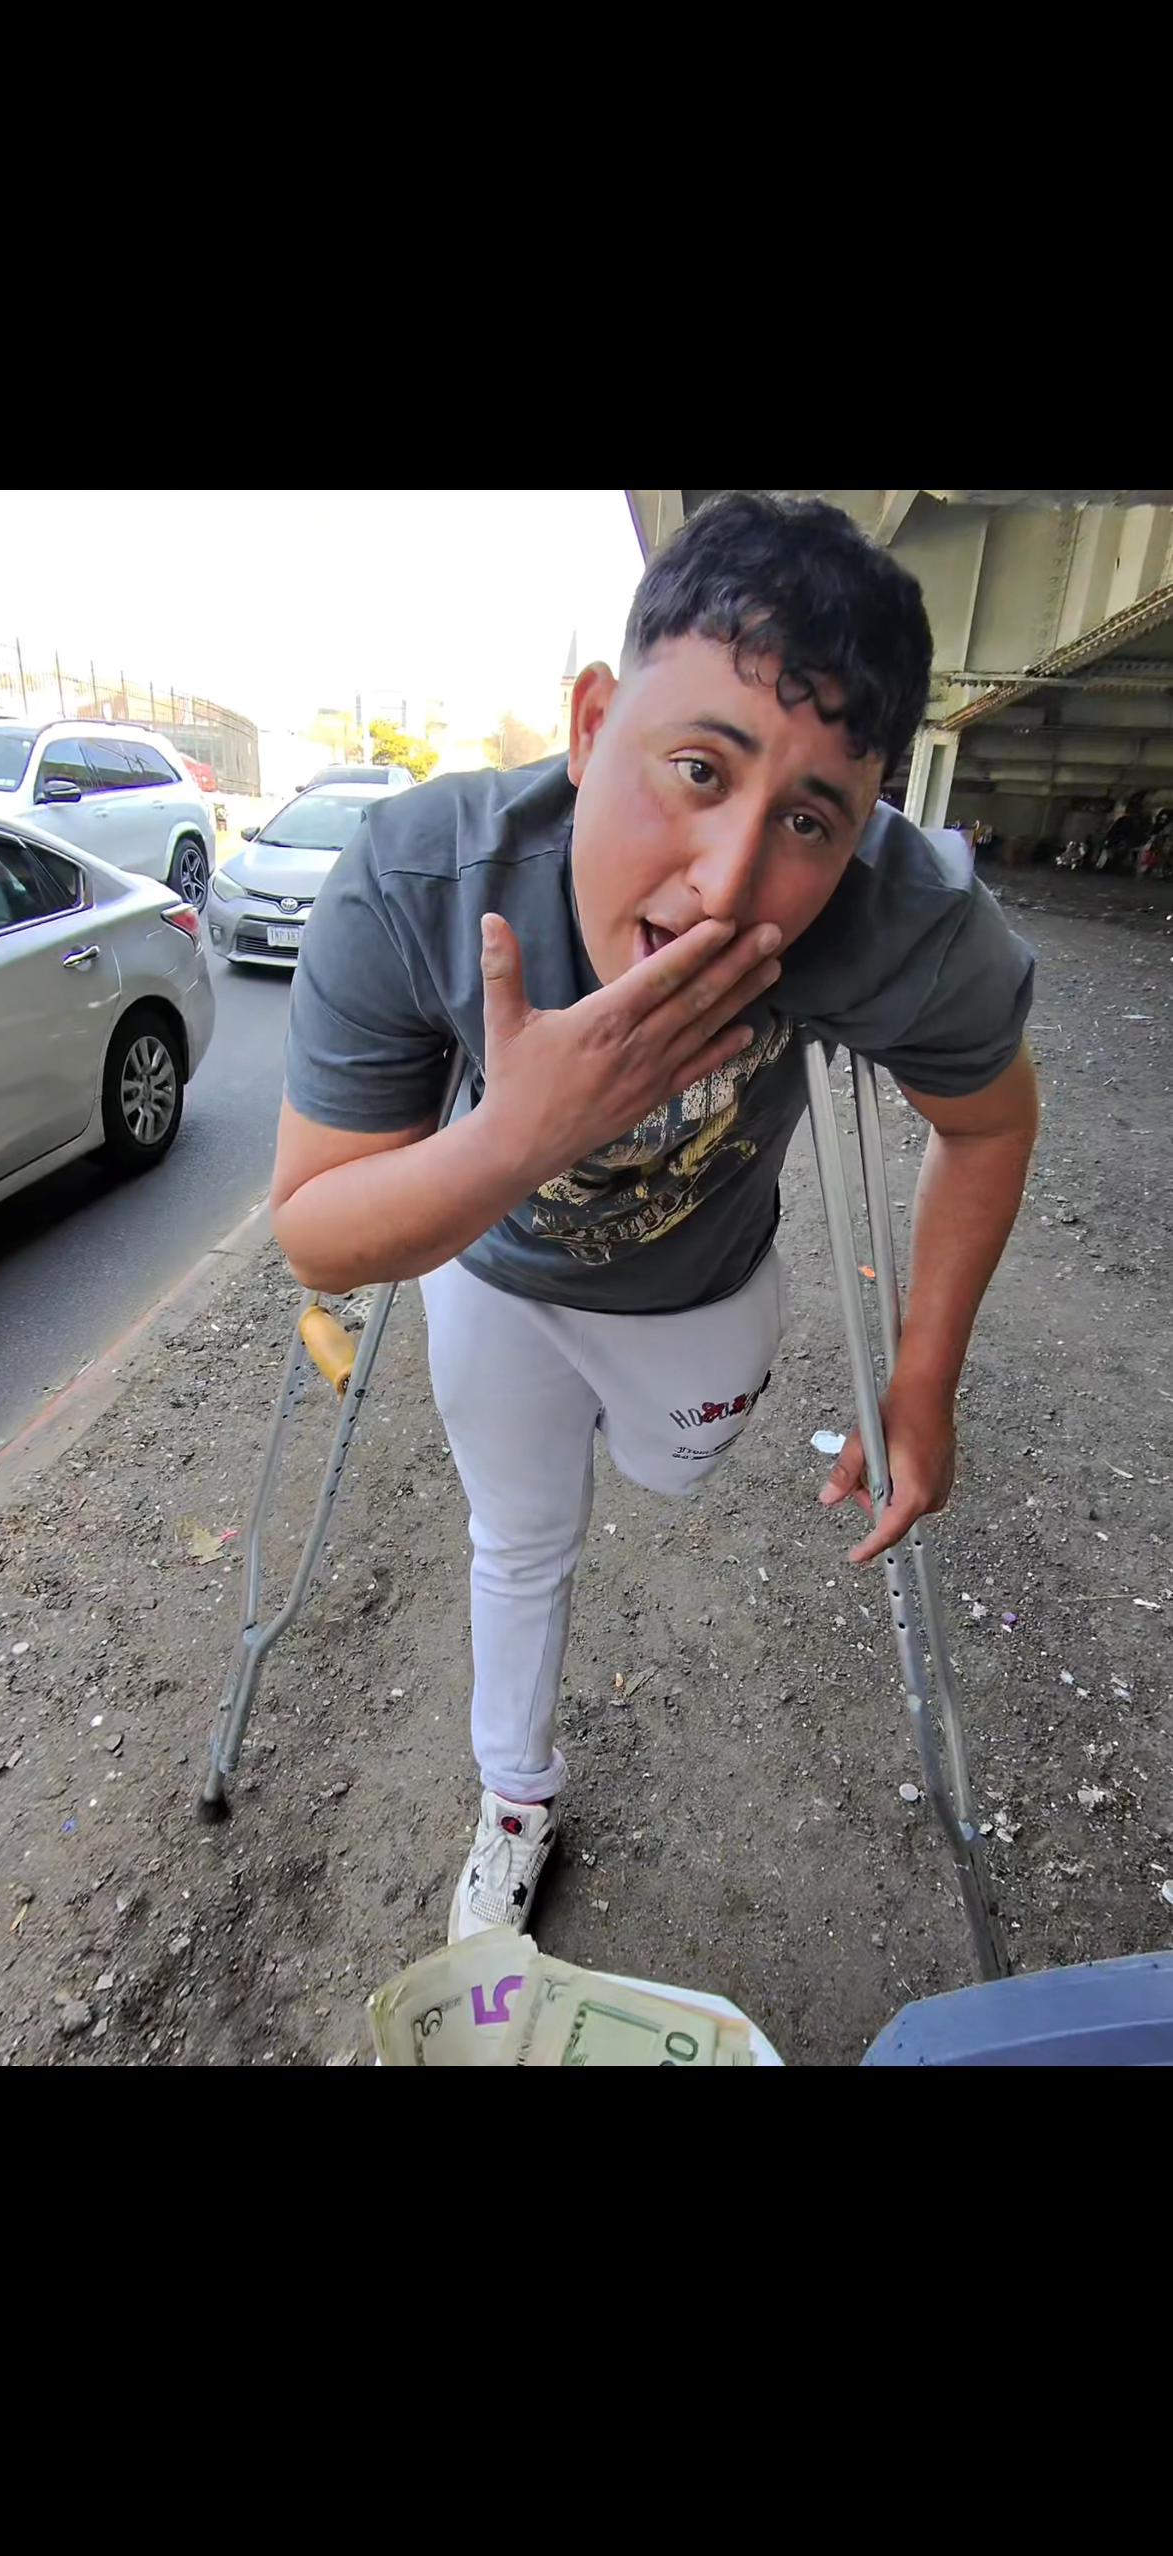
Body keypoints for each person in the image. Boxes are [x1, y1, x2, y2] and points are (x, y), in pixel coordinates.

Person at [272, 492, 1039, 1943]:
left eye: (806, 818)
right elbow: (315, 1232)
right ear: (588, 725)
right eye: (697, 768)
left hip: (698, 1299)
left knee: (668, 1473)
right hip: (491, 1276)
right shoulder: (422, 879)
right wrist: (522, 1133)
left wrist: (922, 1383)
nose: (726, 883)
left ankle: (644, 1439)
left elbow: (990, 1120)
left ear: (860, 827)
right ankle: (515, 1799)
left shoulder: (898, 924)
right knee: (520, 1538)